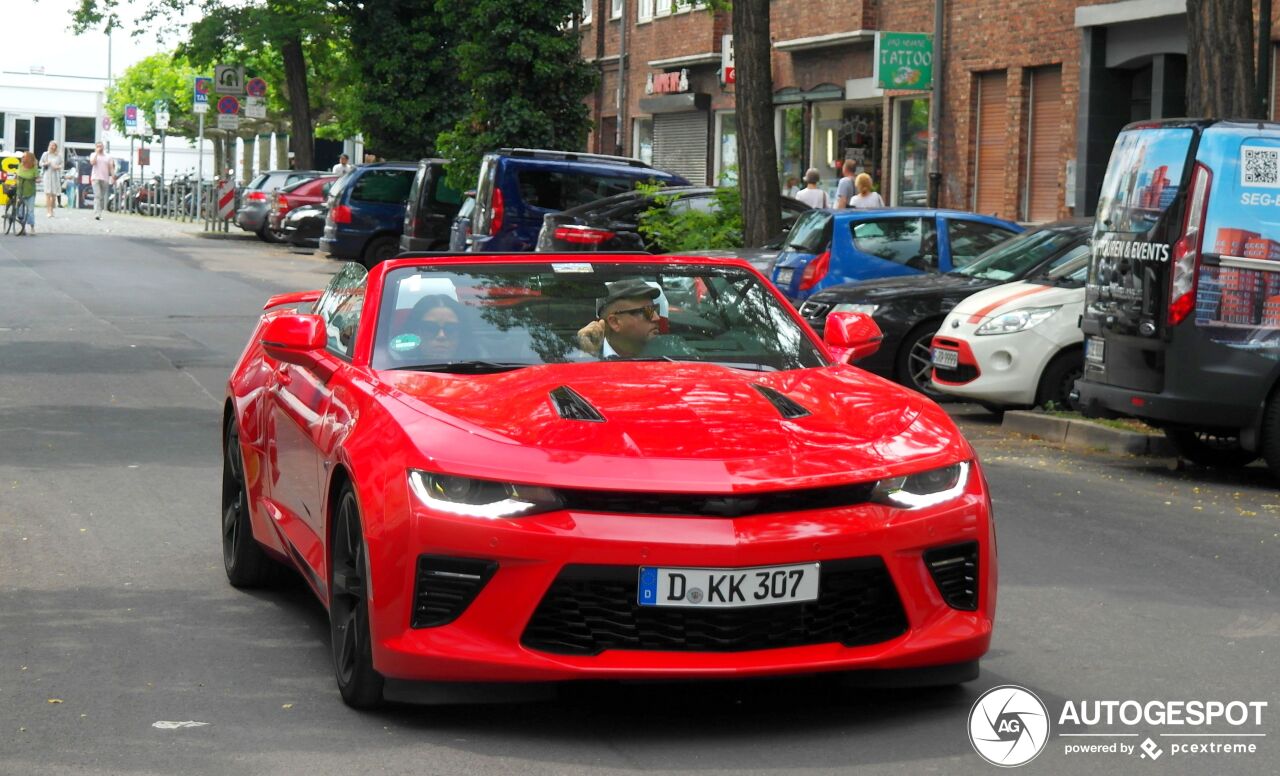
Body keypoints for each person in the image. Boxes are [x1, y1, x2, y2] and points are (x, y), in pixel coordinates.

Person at [576, 279, 661, 359]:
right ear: (614, 322)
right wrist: (587, 356)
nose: (656, 318)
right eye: (648, 311)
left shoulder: (669, 354)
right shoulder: (586, 356)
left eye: (655, 309)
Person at [408, 294, 468, 361]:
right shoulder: (395, 364)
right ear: (416, 332)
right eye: (430, 328)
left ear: (461, 335)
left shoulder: (480, 363)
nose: (441, 336)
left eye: (450, 328)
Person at [89, 142, 114, 220]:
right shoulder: (93, 154)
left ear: (103, 147)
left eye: (101, 146)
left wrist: (113, 177)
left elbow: (111, 167)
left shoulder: (108, 156)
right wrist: (96, 153)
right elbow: (92, 162)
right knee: (97, 195)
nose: (100, 148)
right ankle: (97, 214)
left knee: (101, 197)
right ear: (96, 147)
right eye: (98, 146)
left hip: (105, 178)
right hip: (95, 178)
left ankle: (99, 212)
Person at [15, 152, 40, 235]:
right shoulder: (20, 165)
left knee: (30, 211)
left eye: (24, 157)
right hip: (21, 191)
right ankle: (23, 228)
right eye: (22, 157)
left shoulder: (34, 168)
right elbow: (17, 175)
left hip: (30, 191)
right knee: (20, 210)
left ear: (29, 158)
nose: (22, 158)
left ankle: (32, 228)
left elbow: (37, 178)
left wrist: (37, 180)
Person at [39, 141, 63, 218]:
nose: (52, 147)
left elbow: (62, 164)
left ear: (56, 147)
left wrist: (57, 167)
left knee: (54, 195)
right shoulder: (45, 154)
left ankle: (52, 209)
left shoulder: (59, 155)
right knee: (48, 194)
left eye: (54, 145)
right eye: (51, 145)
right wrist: (45, 163)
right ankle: (48, 211)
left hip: (55, 175)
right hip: (47, 175)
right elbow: (40, 163)